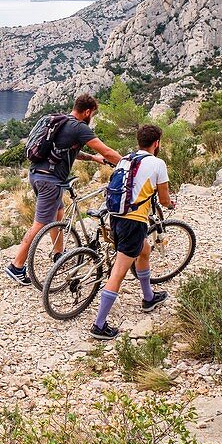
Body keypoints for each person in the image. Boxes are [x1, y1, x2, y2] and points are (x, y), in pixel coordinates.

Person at [4, 93, 121, 286]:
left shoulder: (63, 122)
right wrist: (128, 164)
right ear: (87, 111)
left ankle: (59, 254)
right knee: (40, 224)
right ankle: (16, 266)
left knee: (58, 214)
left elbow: (68, 151)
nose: (91, 118)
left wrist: (93, 159)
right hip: (50, 181)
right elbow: (107, 151)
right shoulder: (79, 127)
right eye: (92, 114)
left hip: (38, 175)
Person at [89, 123, 176, 340]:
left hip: (116, 217)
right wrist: (170, 204)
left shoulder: (126, 159)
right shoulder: (158, 163)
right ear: (156, 143)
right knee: (119, 271)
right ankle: (99, 326)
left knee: (144, 249)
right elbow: (164, 200)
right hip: (134, 221)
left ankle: (149, 297)